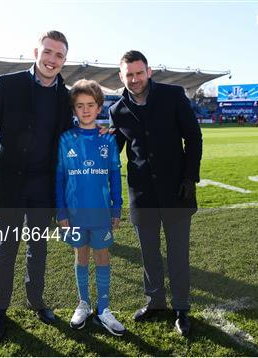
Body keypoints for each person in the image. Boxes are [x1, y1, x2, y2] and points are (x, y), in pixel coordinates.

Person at [0, 30, 73, 344]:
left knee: (37, 248)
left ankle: (35, 300)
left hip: (43, 186)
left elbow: (66, 142)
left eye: (59, 55)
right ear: (36, 52)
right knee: (6, 250)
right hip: (10, 184)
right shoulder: (8, 84)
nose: (52, 60)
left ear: (64, 60)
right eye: (48, 52)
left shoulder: (63, 96)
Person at [109, 50, 202, 337]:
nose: (134, 79)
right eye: (129, 75)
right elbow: (115, 150)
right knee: (149, 254)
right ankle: (156, 302)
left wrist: (189, 176)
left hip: (177, 190)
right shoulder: (117, 110)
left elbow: (194, 136)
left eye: (139, 73)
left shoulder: (173, 95)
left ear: (149, 71)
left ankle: (182, 308)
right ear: (121, 77)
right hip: (141, 194)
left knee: (178, 254)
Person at [55, 79, 125, 336]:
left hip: (101, 213)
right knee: (80, 255)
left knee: (102, 256)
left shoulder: (108, 140)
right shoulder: (66, 139)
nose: (85, 110)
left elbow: (115, 176)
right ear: (73, 109)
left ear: (99, 108)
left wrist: (116, 208)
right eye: (80, 105)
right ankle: (83, 303)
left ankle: (104, 308)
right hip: (74, 214)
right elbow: (59, 177)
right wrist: (61, 211)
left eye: (91, 105)